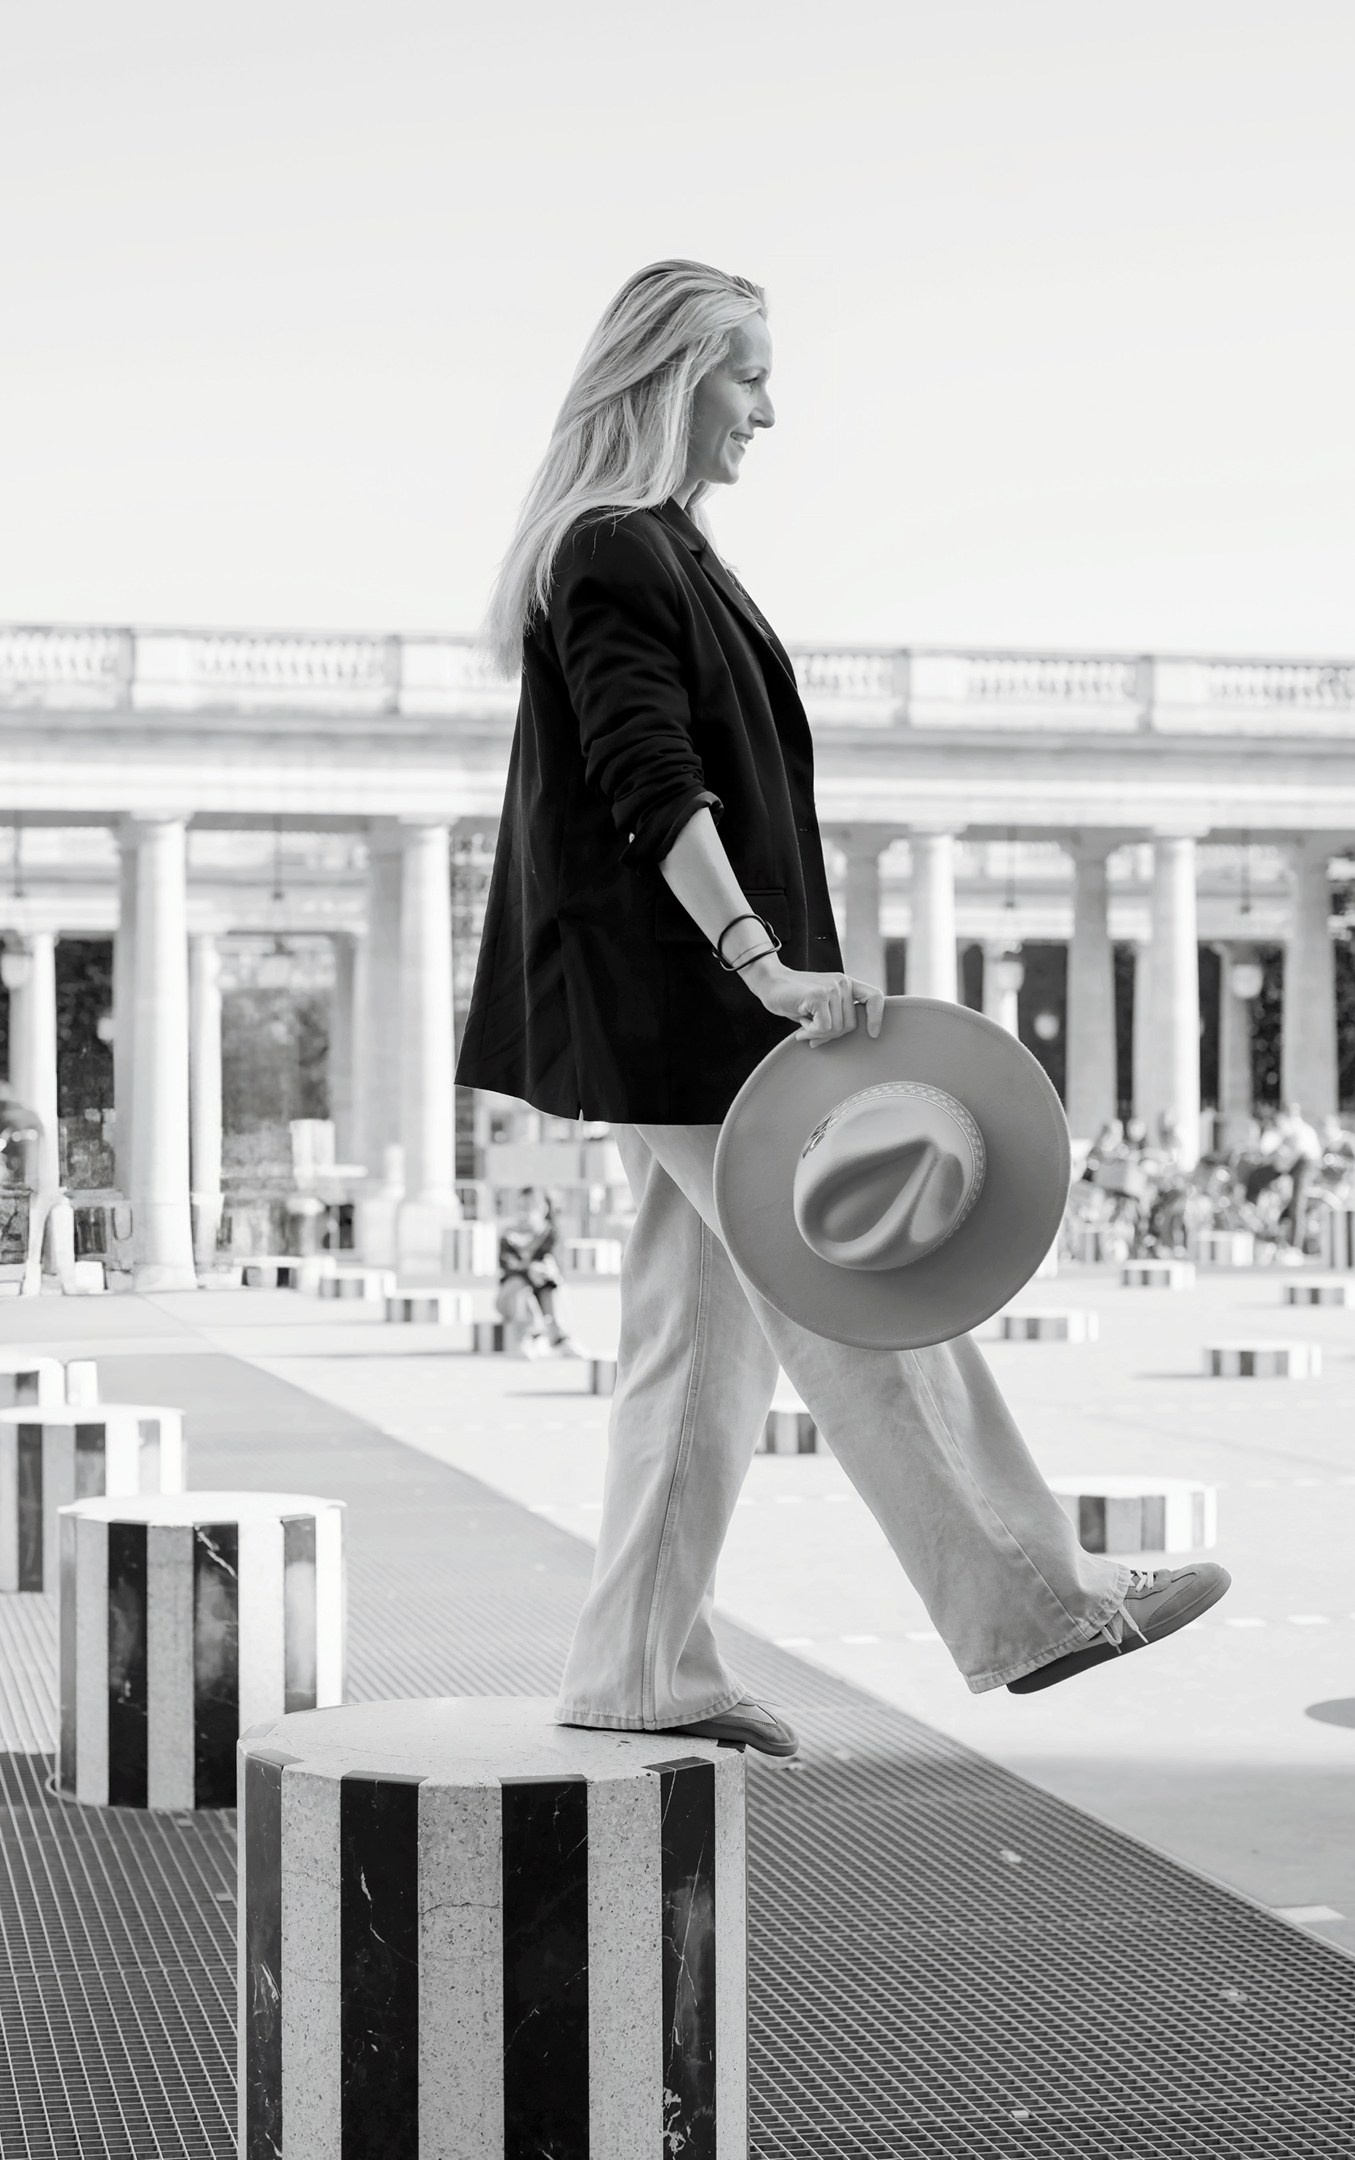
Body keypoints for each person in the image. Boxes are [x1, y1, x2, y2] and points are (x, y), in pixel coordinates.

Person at [454, 259, 1228, 1756]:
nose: (768, 410)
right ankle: (1035, 1599)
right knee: (861, 1290)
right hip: (688, 1011)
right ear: (671, 376)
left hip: (677, 1010)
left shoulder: (653, 546)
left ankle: (635, 1667)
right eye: (747, 375)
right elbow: (648, 780)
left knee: (698, 1351)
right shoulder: (613, 549)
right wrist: (760, 961)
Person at [496, 1187, 580, 1357]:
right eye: (522, 1206)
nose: (525, 1211)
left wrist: (550, 1271)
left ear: (544, 1208)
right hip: (513, 1297)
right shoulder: (509, 1235)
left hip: (544, 1297)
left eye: (531, 1205)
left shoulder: (551, 1235)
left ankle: (559, 1339)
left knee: (553, 1288)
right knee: (521, 1287)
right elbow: (507, 1266)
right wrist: (529, 1269)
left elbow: (560, 1268)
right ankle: (528, 1337)